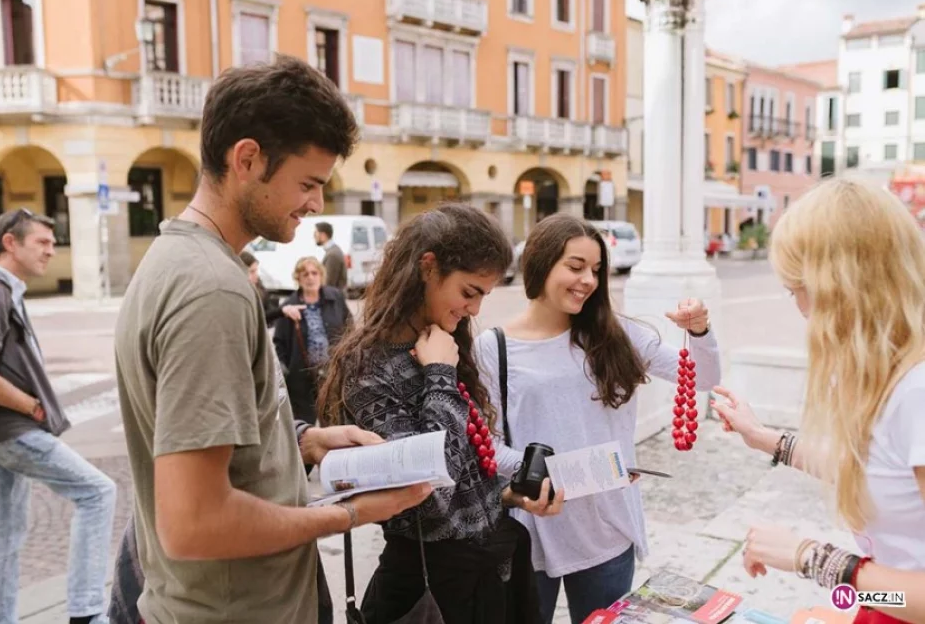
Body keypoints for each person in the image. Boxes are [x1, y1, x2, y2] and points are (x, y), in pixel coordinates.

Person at [112, 54, 431, 624]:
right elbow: (195, 523)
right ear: (248, 158)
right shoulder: (212, 290)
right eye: (308, 183)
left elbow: (212, 447)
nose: (315, 206)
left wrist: (304, 441)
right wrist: (352, 514)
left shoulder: (180, 261)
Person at [318, 203, 566, 624]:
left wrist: (507, 495)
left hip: (493, 573)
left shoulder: (445, 340)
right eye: (469, 292)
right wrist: (438, 376)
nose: (474, 310)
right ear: (428, 268)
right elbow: (429, 497)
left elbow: (465, 471)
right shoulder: (367, 367)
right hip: (432, 591)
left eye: (483, 296)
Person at [475, 214, 720, 624]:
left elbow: (704, 376)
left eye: (596, 270)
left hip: (607, 528)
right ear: (540, 263)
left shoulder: (616, 334)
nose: (588, 280)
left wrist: (700, 331)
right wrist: (549, 473)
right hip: (532, 530)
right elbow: (487, 446)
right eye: (575, 267)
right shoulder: (493, 347)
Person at [711, 178, 925, 624]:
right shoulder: (890, 375)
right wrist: (766, 438)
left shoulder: (916, 392)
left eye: (796, 289)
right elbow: (878, 470)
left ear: (840, 287)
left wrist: (812, 558)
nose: (800, 310)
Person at [0, 208, 117, 624]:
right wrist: (29, 406)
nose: (51, 252)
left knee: (6, 531)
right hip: (12, 427)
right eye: (42, 242)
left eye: (53, 244)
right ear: (10, 243)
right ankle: (87, 612)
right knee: (98, 492)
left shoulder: (2, 288)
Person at [273, 256, 352, 425]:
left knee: (334, 424)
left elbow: (350, 328)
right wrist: (285, 369)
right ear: (298, 278)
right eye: (305, 274)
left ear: (321, 275)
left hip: (332, 374)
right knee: (303, 427)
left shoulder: (335, 298)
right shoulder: (288, 305)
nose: (310, 277)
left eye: (314, 273)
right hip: (301, 379)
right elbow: (279, 342)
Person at [238, 250, 284, 326]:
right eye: (252, 271)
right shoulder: (238, 294)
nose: (256, 275)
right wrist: (280, 311)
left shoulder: (258, 286)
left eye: (256, 271)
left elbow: (266, 311)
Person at [315, 221, 347, 291]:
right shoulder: (332, 251)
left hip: (334, 299)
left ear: (323, 235)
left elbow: (328, 283)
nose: (314, 236)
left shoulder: (332, 254)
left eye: (315, 233)